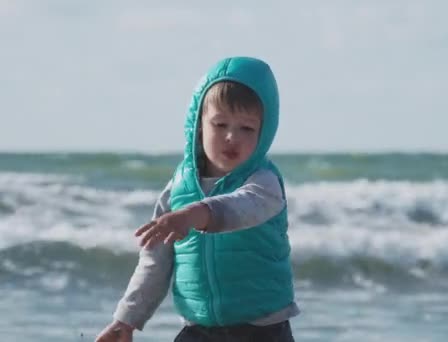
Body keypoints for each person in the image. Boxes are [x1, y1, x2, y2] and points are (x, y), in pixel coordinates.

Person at [96, 56, 298, 342]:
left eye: (247, 129)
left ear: (264, 133)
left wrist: (196, 214)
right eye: (220, 124)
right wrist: (126, 319)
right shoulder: (178, 189)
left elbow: (242, 207)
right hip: (198, 328)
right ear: (200, 125)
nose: (231, 137)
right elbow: (156, 260)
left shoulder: (264, 181)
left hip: (262, 328)